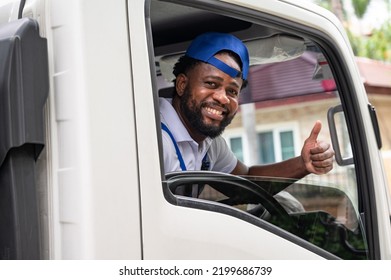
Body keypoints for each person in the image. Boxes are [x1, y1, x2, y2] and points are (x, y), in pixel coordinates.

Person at [160, 32, 334, 180]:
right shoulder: (155, 139)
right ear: (182, 84)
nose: (223, 98)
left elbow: (246, 182)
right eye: (211, 84)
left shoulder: (209, 144)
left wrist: (303, 164)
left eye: (232, 91)